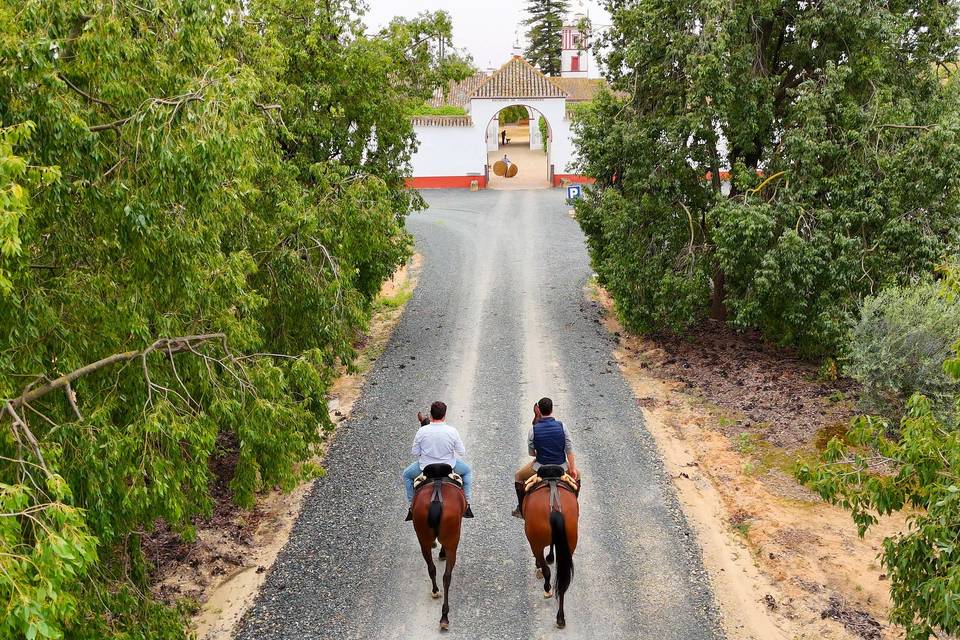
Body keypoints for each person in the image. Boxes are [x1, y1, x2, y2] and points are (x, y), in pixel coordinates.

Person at [402, 401, 475, 521]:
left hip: (425, 467)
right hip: (449, 466)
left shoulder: (422, 431)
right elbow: (461, 451)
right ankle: (467, 504)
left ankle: (411, 506)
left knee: (406, 475)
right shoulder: (452, 431)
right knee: (467, 471)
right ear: (444, 415)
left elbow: (415, 452)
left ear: (431, 415)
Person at [512, 397, 578, 518]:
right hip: (561, 466)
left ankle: (521, 509)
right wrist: (572, 469)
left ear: (539, 411)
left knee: (518, 476)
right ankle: (575, 505)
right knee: (579, 476)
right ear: (552, 409)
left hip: (539, 468)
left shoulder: (533, 430)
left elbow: (532, 453)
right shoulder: (562, 426)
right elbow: (569, 450)